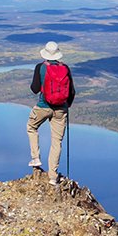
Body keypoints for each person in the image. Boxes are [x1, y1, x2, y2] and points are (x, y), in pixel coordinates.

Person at [27, 40, 75, 183]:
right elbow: (72, 91)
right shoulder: (65, 68)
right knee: (57, 142)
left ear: (45, 54)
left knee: (31, 127)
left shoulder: (40, 67)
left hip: (43, 106)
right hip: (61, 109)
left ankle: (36, 158)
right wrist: (66, 106)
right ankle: (53, 177)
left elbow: (34, 88)